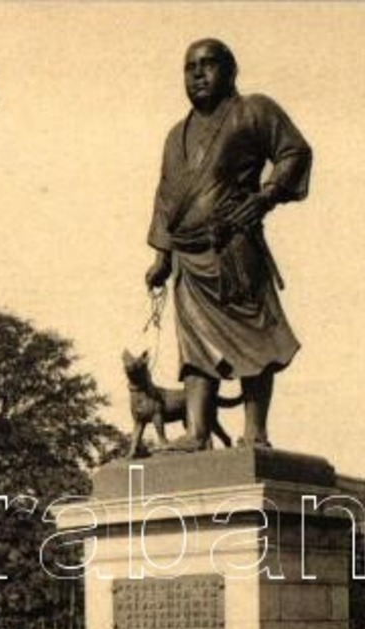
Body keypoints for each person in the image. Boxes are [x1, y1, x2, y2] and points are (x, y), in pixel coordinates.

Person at [145, 38, 312, 451]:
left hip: (234, 247)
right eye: (190, 67)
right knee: (195, 342)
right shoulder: (174, 136)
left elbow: (294, 151)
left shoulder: (253, 110)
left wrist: (266, 196)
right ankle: (198, 432)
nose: (198, 74)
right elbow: (166, 196)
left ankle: (255, 431)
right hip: (189, 255)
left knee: (254, 336)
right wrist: (161, 254)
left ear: (231, 70)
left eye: (208, 64)